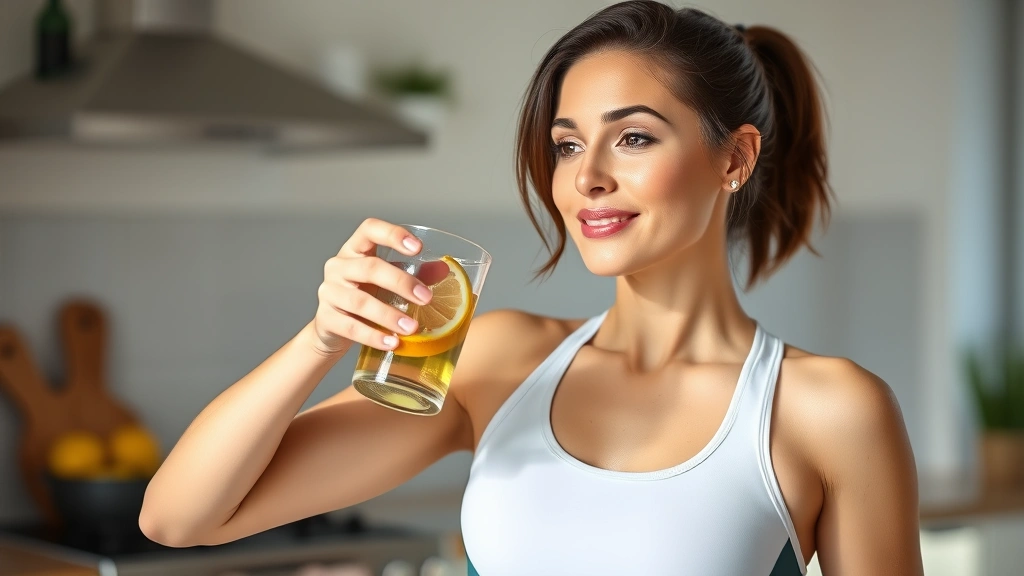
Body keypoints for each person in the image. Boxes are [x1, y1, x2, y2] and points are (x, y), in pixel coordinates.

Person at [139, 2, 924, 574]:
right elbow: (181, 518)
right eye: (567, 144)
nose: (587, 178)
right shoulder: (499, 360)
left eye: (635, 137)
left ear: (735, 159)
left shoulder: (829, 410)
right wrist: (321, 340)